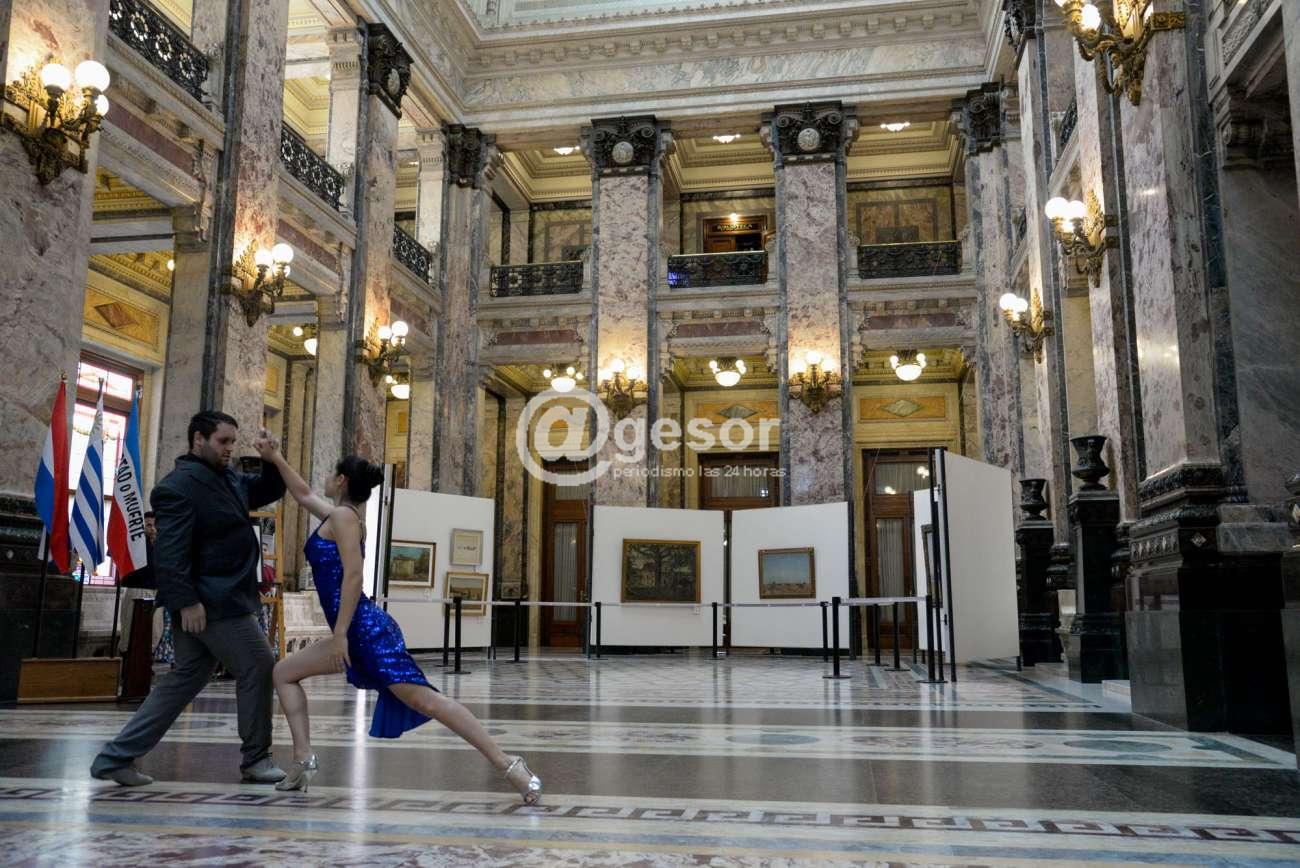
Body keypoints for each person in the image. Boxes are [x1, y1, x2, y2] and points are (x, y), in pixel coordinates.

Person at [257, 439, 541, 803]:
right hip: (357, 629)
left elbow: (354, 576)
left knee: (428, 702)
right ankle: (303, 759)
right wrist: (276, 456)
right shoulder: (340, 516)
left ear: (342, 480)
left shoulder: (343, 518)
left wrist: (340, 635)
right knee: (284, 673)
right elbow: (302, 493)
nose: (324, 479)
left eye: (331, 473)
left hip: (363, 632)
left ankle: (509, 764)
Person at [90, 411, 287, 787]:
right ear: (199, 439)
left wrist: (271, 460)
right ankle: (256, 759)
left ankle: (115, 758)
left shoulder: (227, 476)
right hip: (211, 602)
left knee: (185, 679)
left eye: (233, 442)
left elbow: (267, 491)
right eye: (223, 441)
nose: (230, 449)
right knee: (259, 664)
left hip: (222, 597)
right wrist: (186, 602)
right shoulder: (178, 486)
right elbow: (171, 552)